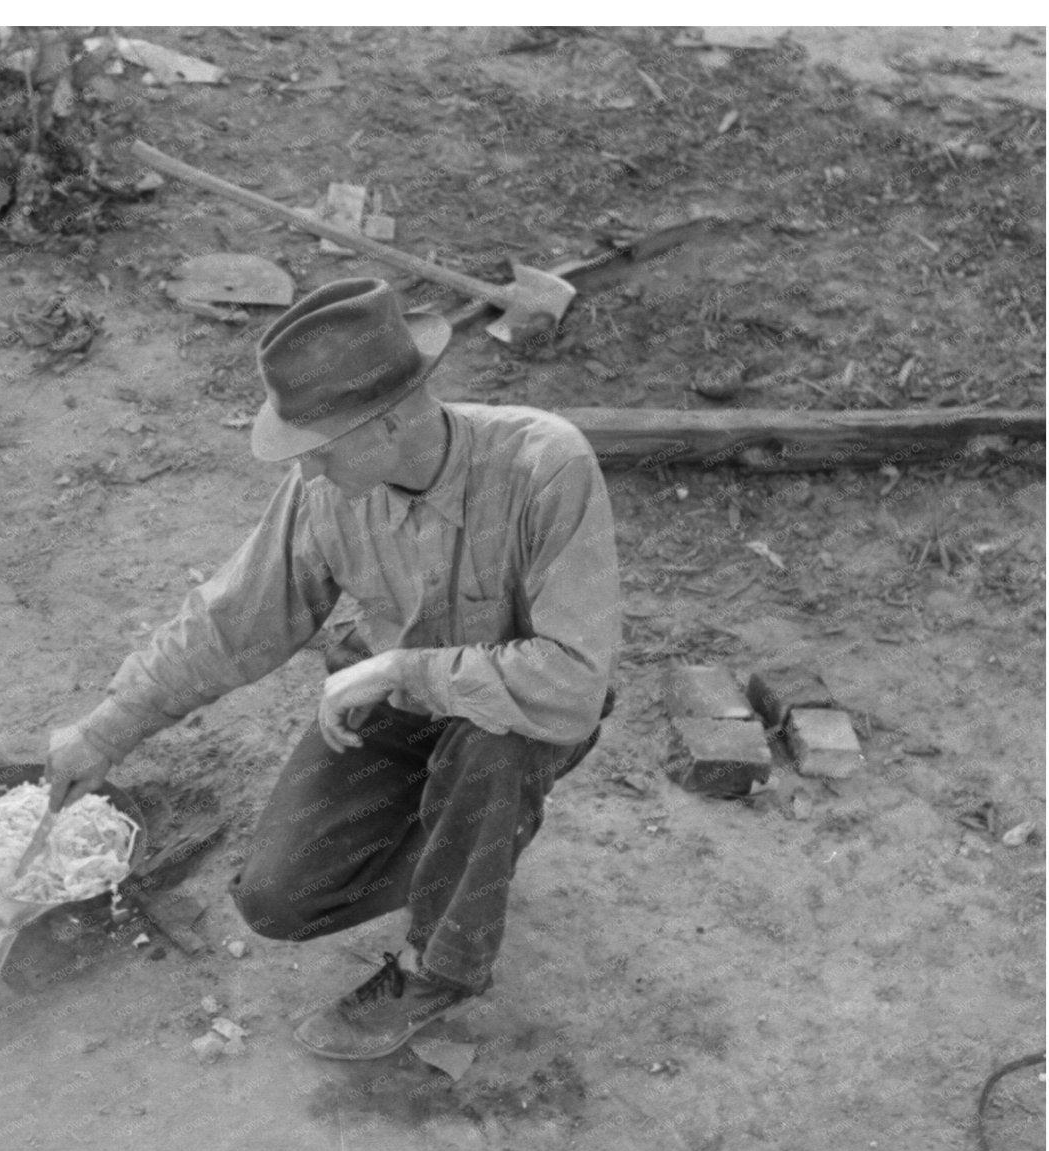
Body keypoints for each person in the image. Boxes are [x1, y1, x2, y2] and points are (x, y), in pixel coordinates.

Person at [45, 278, 620, 1060]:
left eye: (318, 449)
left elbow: (573, 682)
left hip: (519, 717)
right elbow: (235, 619)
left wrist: (403, 668)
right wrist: (106, 732)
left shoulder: (545, 464)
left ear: (389, 424)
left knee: (491, 749)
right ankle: (468, 846)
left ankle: (440, 965)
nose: (308, 471)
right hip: (398, 711)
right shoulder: (325, 491)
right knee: (278, 901)